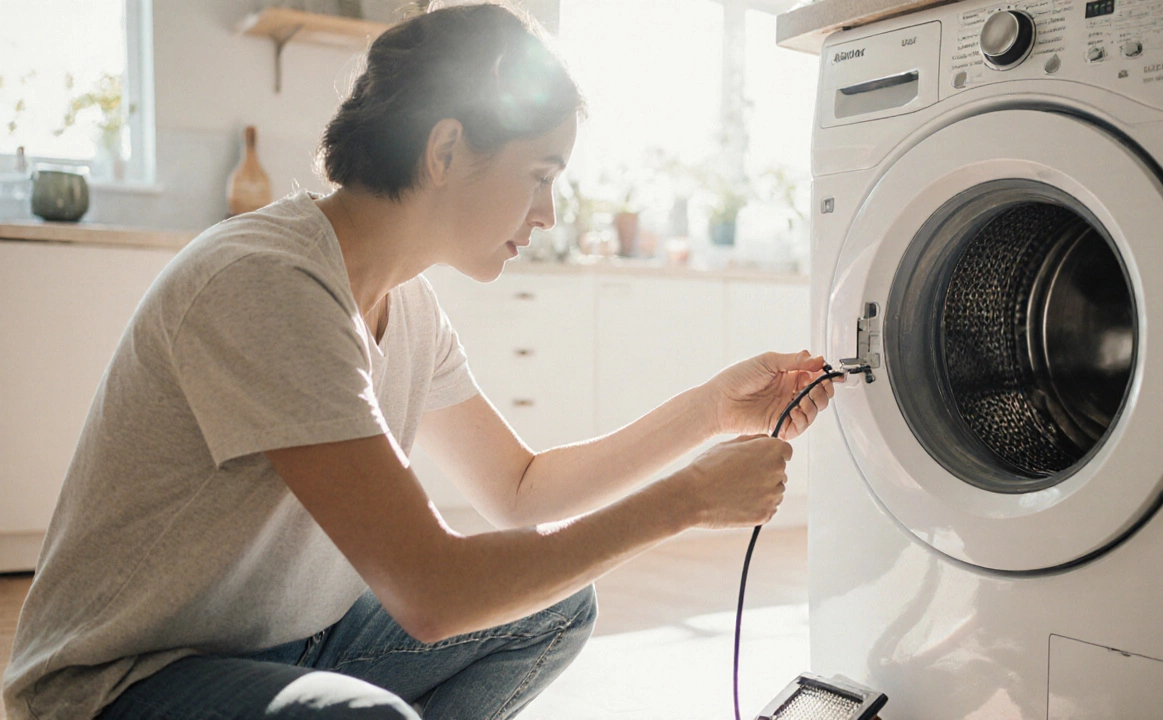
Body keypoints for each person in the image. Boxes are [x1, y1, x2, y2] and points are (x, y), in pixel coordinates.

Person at [1, 3, 837, 718]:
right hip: (123, 685)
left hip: (281, 644)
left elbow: (517, 491)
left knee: (549, 608)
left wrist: (711, 413)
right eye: (540, 175)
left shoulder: (408, 305)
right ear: (443, 151)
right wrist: (685, 502)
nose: (548, 213)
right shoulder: (265, 284)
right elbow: (430, 594)